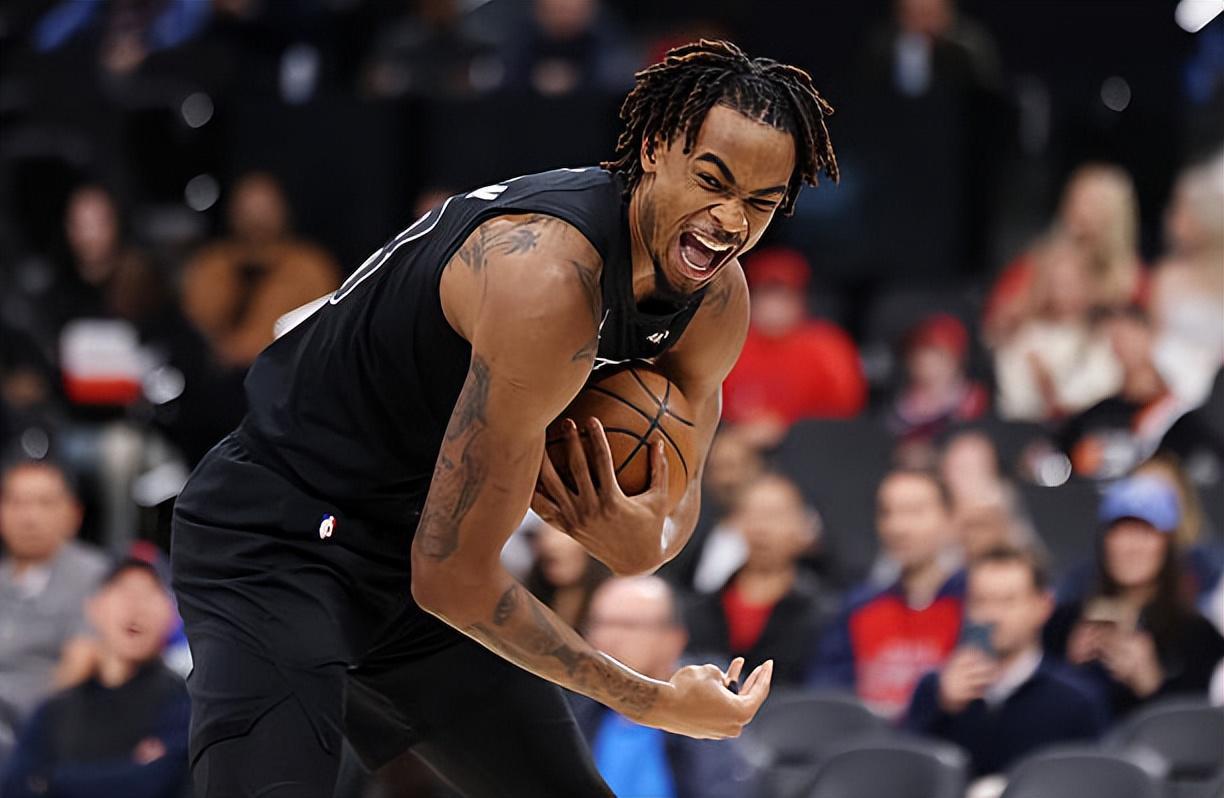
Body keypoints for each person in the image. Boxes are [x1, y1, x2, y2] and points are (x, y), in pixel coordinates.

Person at [170, 39, 839, 797]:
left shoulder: (716, 304)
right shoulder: (546, 280)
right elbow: (453, 581)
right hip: (280, 534)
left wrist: (645, 539)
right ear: (655, 148)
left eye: (760, 203)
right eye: (712, 181)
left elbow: (676, 501)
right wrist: (651, 700)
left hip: (410, 538)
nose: (729, 220)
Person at [904, 546, 1106, 777]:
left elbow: (1090, 782)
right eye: (980, 601)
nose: (992, 615)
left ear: (1043, 606)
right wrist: (939, 709)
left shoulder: (1076, 700)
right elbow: (906, 777)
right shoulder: (934, 689)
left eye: (1007, 601)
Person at [1, 557, 189, 798]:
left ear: (171, 615)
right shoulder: (56, 710)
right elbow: (16, 785)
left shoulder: (181, 701)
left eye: (150, 594)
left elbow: (153, 783)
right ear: (94, 607)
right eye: (124, 592)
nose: (136, 607)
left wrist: (49, 781)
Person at [1044, 475, 1224, 718]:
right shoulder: (1064, 622)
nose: (1131, 547)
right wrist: (1067, 670)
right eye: (1121, 531)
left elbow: (1202, 727)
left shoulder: (1197, 636)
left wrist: (1151, 684)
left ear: (1167, 544)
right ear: (1104, 541)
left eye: (1144, 532)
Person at [573, 576, 762, 798]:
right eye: (598, 624)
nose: (609, 638)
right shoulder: (577, 706)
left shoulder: (709, 706)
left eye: (627, 625)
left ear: (673, 638)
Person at [809, 469, 965, 718]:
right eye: (887, 512)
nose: (897, 527)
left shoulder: (974, 604)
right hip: (865, 738)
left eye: (914, 512)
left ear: (949, 519)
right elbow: (827, 693)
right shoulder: (859, 606)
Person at [685, 473, 835, 686]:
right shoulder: (702, 610)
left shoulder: (823, 615)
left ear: (803, 526)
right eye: (751, 515)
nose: (761, 529)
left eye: (774, 516)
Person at [180, 171, 340, 370]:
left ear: (284, 211)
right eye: (248, 210)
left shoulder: (310, 267)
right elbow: (195, 325)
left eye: (265, 209)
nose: (257, 219)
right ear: (232, 212)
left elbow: (323, 328)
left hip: (288, 373)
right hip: (220, 375)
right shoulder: (211, 265)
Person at [0, 457, 108, 745]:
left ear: (74, 513)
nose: (28, 517)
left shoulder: (95, 576)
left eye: (44, 503)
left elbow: (79, 665)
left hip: (42, 730)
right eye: (16, 502)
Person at [721, 246, 866, 447]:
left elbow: (847, 412)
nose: (774, 306)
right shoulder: (730, 344)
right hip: (738, 447)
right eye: (766, 295)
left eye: (783, 296)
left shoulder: (828, 346)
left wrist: (785, 427)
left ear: (801, 299)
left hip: (811, 449)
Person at [886, 313, 988, 445]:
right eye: (921, 360)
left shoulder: (973, 402)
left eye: (939, 360)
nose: (930, 369)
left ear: (957, 361)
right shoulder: (900, 407)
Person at [523, 518, 610, 631]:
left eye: (563, 533)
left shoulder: (617, 605)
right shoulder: (529, 606)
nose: (550, 544)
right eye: (544, 534)